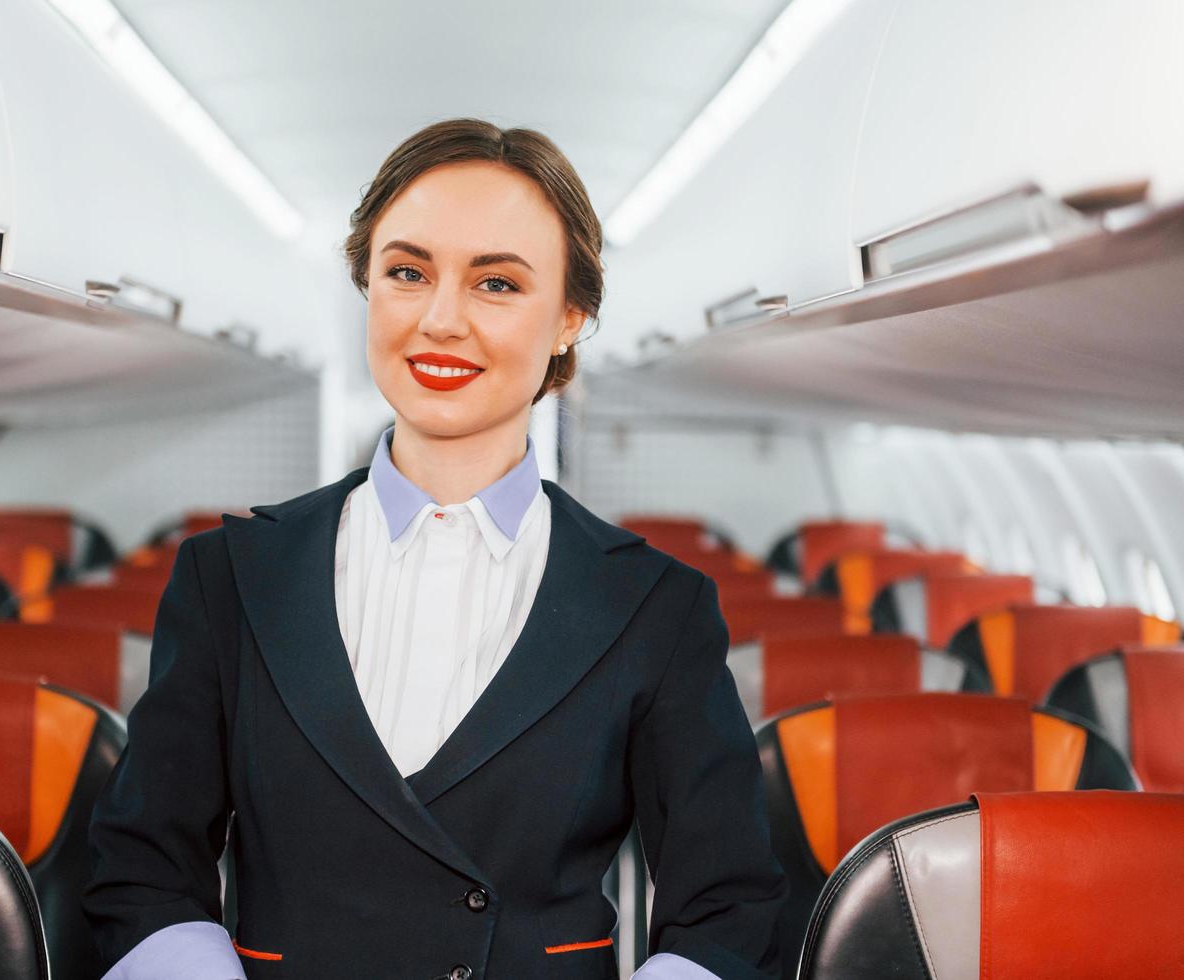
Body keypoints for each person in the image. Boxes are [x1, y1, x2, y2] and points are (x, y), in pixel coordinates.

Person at [83, 118, 787, 979]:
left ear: (571, 317)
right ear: (368, 286)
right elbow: (142, 866)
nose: (441, 320)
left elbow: (729, 903)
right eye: (408, 273)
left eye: (496, 283)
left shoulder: (655, 606)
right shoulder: (229, 578)